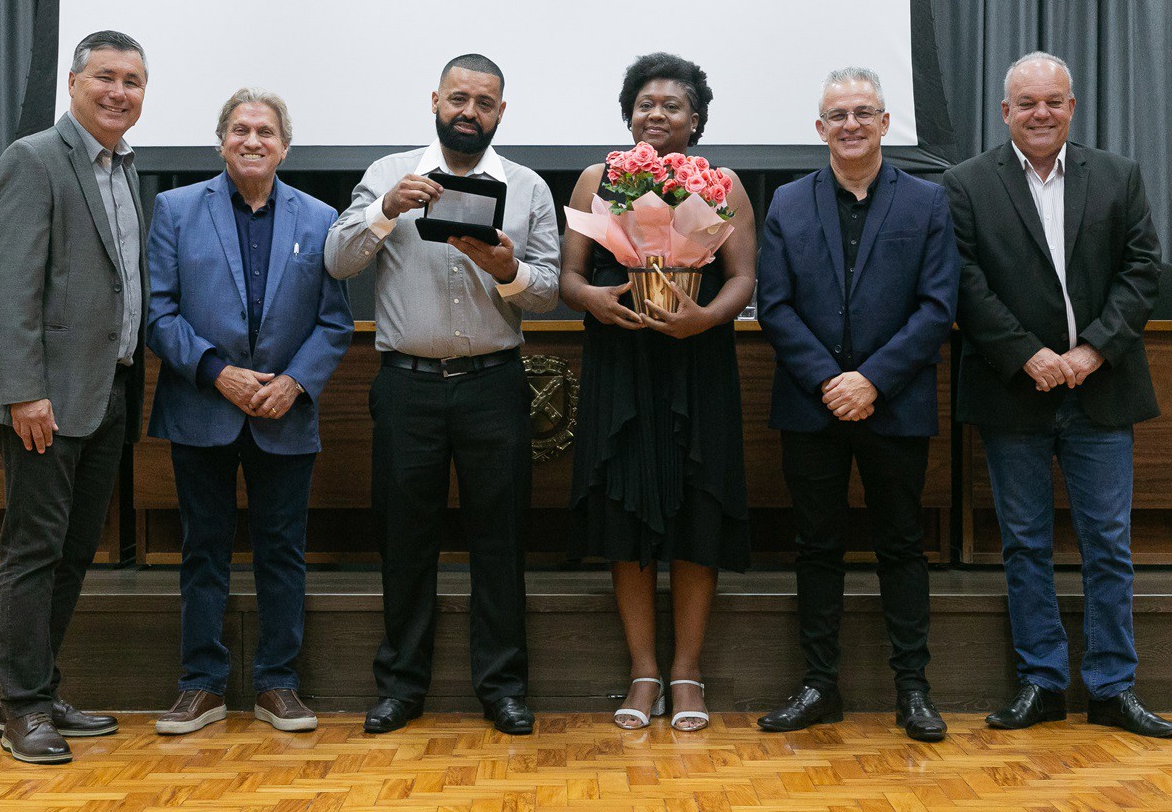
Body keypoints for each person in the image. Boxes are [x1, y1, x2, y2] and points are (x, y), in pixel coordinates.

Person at [944, 51, 1172, 738]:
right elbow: (964, 281)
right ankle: (1041, 682)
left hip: (1100, 388)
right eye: (1027, 103)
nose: (1041, 113)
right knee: (1023, 541)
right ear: (1005, 112)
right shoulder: (964, 184)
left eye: (1054, 101)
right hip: (1013, 388)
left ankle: (1113, 686)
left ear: (1072, 107)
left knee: (1108, 540)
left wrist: (1091, 349)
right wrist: (1028, 355)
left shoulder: (1118, 175)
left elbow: (1142, 272)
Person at [324, 54, 559, 735]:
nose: (470, 111)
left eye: (484, 103)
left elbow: (546, 294)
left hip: (495, 385)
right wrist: (382, 212)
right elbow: (338, 262)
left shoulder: (526, 186)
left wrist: (508, 268)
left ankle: (504, 687)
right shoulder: (385, 173)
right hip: (408, 387)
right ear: (435, 99)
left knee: (501, 542)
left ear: (500, 113)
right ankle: (400, 686)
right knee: (404, 541)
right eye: (459, 97)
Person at [756, 67, 958, 742]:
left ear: (883, 122)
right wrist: (830, 380)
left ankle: (913, 689)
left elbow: (937, 307)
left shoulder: (927, 203)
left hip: (894, 404)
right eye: (837, 114)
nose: (849, 124)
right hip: (811, 407)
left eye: (862, 112)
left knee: (902, 545)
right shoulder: (785, 202)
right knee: (816, 547)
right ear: (820, 128)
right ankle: (820, 684)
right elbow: (775, 306)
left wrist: (870, 379)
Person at [145, 89, 353, 735]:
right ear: (221, 141)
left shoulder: (321, 219)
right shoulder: (175, 209)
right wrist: (217, 372)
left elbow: (335, 322)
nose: (252, 140)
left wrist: (293, 382)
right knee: (202, 551)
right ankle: (200, 685)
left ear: (284, 145)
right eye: (240, 129)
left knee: (282, 553)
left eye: (265, 130)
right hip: (201, 407)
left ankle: (278, 683)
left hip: (284, 413)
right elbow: (158, 311)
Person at [560, 52, 755, 732]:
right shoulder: (597, 179)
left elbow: (742, 279)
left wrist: (703, 317)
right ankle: (643, 671)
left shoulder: (723, 183)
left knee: (696, 514)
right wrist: (594, 299)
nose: (658, 115)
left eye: (673, 105)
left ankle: (687, 672)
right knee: (626, 514)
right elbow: (571, 277)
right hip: (622, 363)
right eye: (646, 104)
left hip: (698, 362)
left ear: (696, 120)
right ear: (628, 114)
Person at [0, 30, 149, 764]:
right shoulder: (34, 158)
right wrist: (24, 392)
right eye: (105, 77)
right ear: (73, 83)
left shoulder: (124, 168)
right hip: (46, 398)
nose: (119, 91)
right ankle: (19, 708)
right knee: (35, 550)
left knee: (76, 550)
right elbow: (9, 289)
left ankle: (42, 687)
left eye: (133, 81)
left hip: (108, 388)